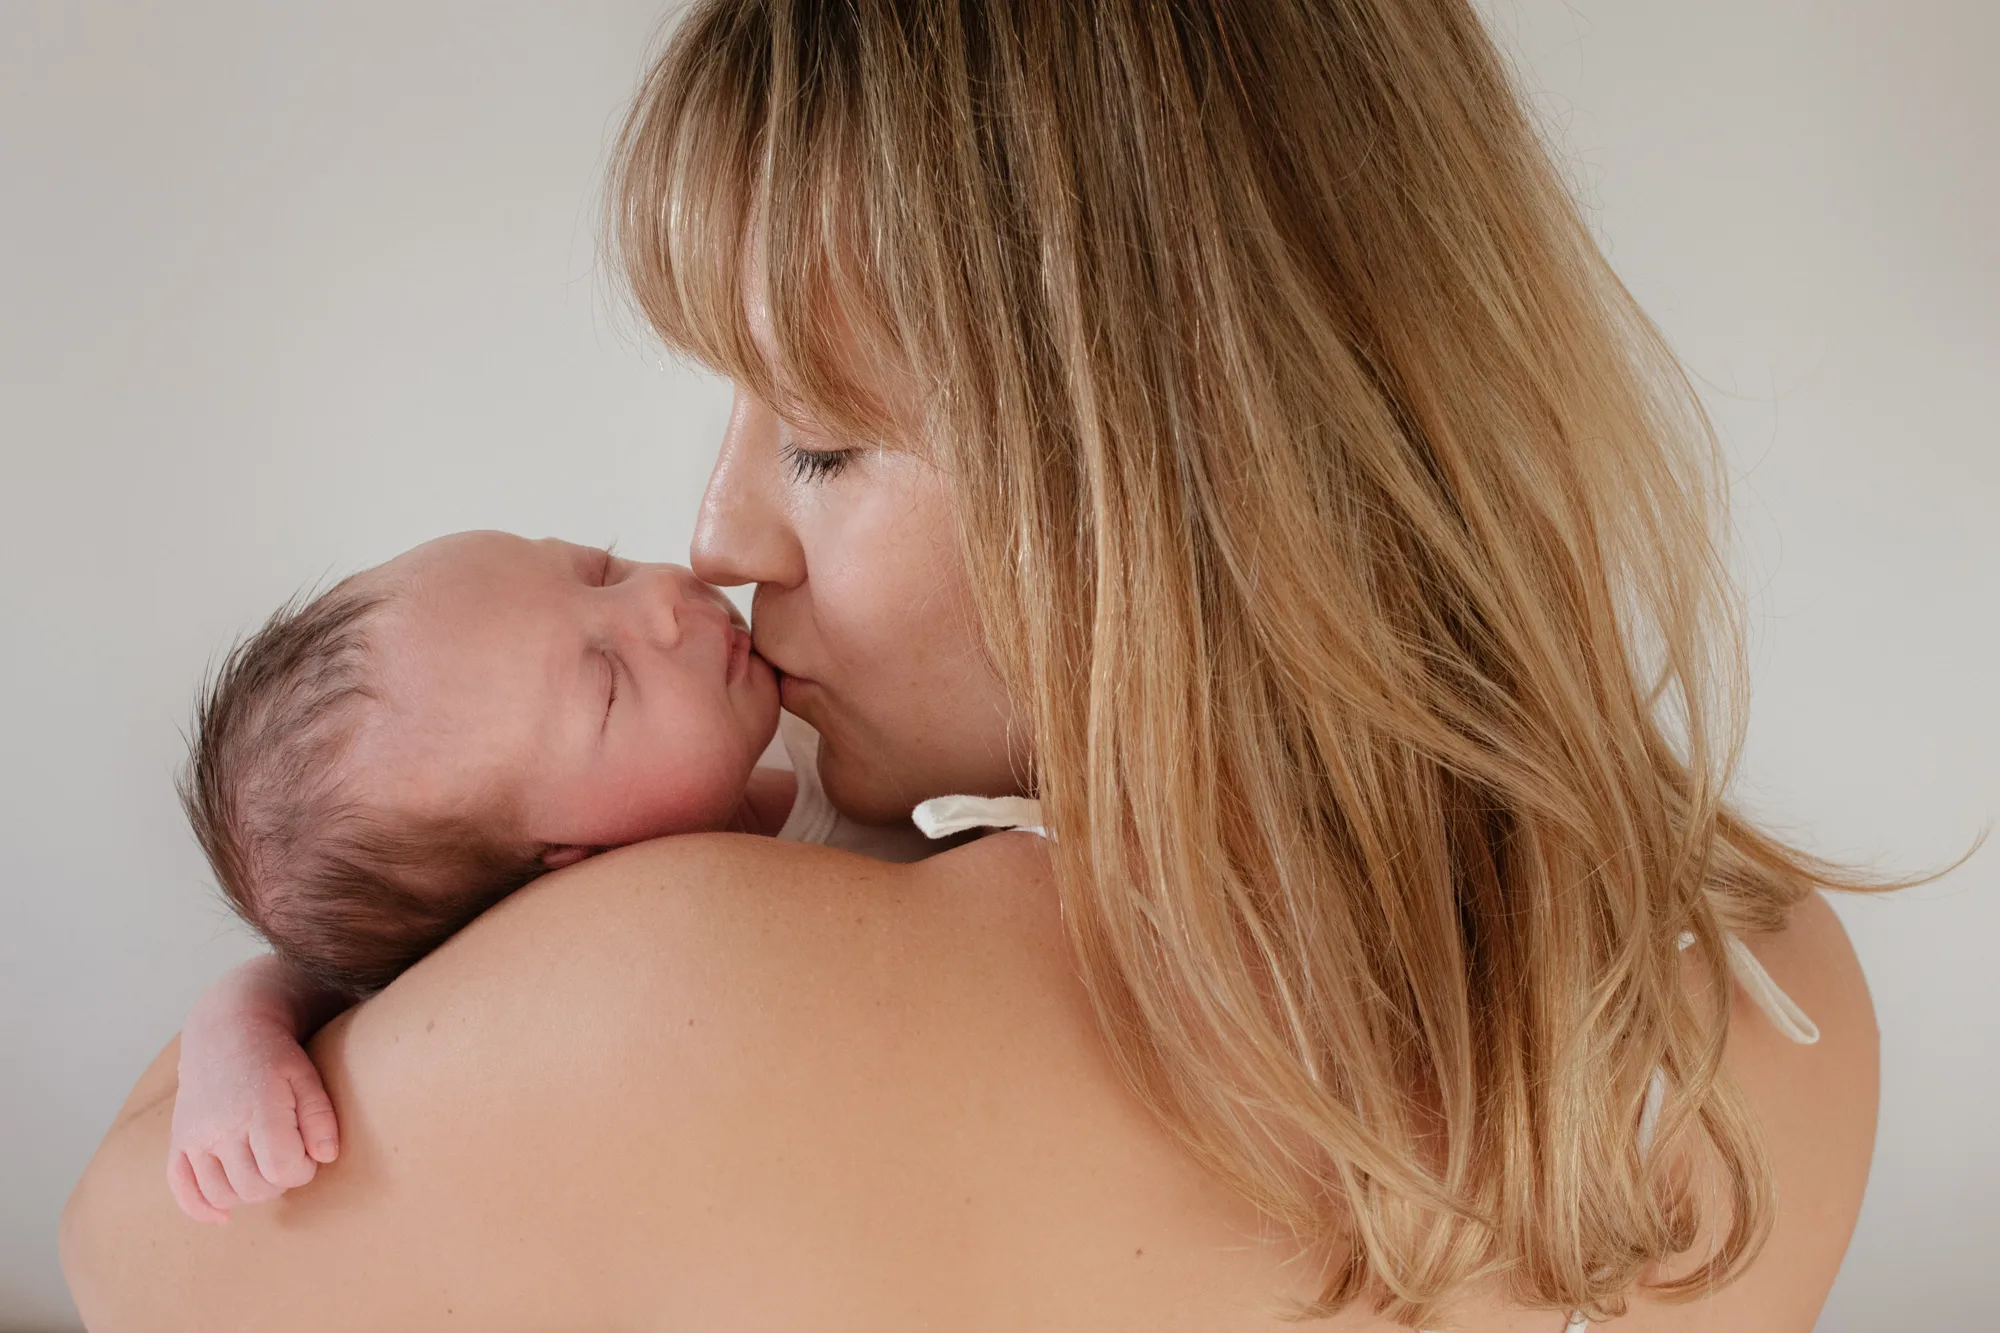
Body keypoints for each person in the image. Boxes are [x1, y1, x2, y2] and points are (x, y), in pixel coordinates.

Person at [62, 1, 1972, 1328]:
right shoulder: (1777, 1002)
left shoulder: (697, 996)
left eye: (817, 436)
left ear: (1163, 461)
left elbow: (128, 1248)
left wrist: (283, 990)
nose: (714, 536)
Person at [161, 529, 936, 1222]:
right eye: (608, 682)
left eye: (597, 567)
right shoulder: (601, 931)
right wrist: (235, 1037)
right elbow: (335, 977)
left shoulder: (790, 709)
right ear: (562, 867)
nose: (661, 599)